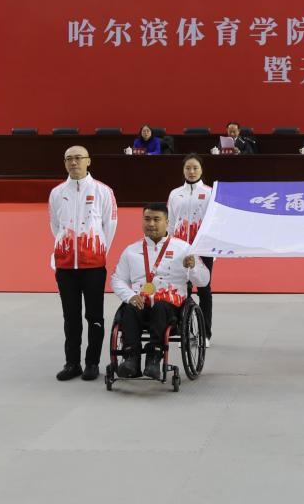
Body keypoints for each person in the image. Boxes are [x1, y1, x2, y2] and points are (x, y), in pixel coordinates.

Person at [110, 202, 210, 378]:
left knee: (160, 307)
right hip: (141, 302)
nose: (151, 224)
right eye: (147, 219)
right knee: (129, 309)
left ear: (167, 222)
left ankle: (154, 359)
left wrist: (193, 267)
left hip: (170, 307)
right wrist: (130, 296)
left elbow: (203, 281)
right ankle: (131, 358)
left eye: (156, 219)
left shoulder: (184, 249)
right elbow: (117, 279)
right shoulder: (131, 250)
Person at [49, 145, 118, 382]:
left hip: (93, 265)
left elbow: (110, 226)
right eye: (69, 159)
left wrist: (96, 251)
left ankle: (92, 362)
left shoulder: (103, 191)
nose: (73, 162)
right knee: (71, 317)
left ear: (89, 161)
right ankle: (72, 363)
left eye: (78, 158)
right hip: (66, 266)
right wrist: (67, 249)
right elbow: (55, 226)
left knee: (94, 315)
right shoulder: (57, 192)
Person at [169, 154, 216, 346]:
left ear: (201, 170)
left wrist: (214, 250)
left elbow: (214, 223)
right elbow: (171, 222)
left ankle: (205, 334)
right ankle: (185, 332)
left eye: (195, 168)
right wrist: (169, 245)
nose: (191, 171)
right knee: (182, 289)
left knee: (204, 289)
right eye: (188, 168)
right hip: (180, 248)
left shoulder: (210, 192)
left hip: (203, 249)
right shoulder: (175, 194)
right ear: (183, 170)